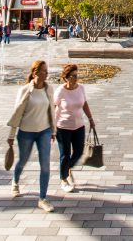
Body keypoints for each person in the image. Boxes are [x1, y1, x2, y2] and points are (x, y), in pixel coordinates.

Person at [7, 60, 56, 212]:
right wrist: (11, 135)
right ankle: (15, 182)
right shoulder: (25, 90)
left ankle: (42, 199)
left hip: (44, 131)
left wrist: (53, 131)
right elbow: (17, 113)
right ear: (35, 73)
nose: (47, 73)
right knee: (23, 160)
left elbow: (52, 111)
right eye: (44, 71)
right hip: (26, 132)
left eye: (47, 71)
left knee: (45, 164)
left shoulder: (49, 89)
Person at [52, 64, 95, 192]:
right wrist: (51, 126)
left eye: (77, 75)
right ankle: (64, 179)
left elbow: (85, 103)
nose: (76, 78)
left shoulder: (81, 88)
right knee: (65, 154)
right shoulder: (60, 91)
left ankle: (66, 169)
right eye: (73, 76)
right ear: (66, 78)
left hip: (79, 125)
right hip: (63, 127)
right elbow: (53, 107)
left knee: (78, 151)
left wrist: (90, 119)